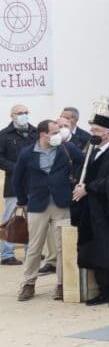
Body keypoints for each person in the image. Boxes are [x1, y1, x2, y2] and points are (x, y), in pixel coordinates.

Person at [12, 119, 84, 301]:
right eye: (54, 132)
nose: (58, 134)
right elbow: (17, 178)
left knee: (63, 247)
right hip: (37, 205)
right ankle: (29, 284)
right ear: (43, 135)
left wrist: (78, 183)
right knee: (34, 247)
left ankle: (62, 284)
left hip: (62, 204)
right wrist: (22, 200)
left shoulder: (67, 148)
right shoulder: (27, 153)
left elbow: (84, 164)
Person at [70, 104, 109, 306]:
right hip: (93, 212)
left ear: (108, 133)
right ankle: (104, 290)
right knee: (97, 252)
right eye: (92, 130)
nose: (93, 134)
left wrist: (88, 188)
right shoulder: (91, 150)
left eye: (97, 131)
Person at [0, 103, 37, 266]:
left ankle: (32, 252)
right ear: (12, 116)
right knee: (11, 218)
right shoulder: (4, 135)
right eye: (19, 113)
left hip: (34, 184)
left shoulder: (35, 133)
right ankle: (7, 254)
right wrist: (16, 168)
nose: (23, 115)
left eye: (26, 112)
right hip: (14, 184)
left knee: (33, 219)